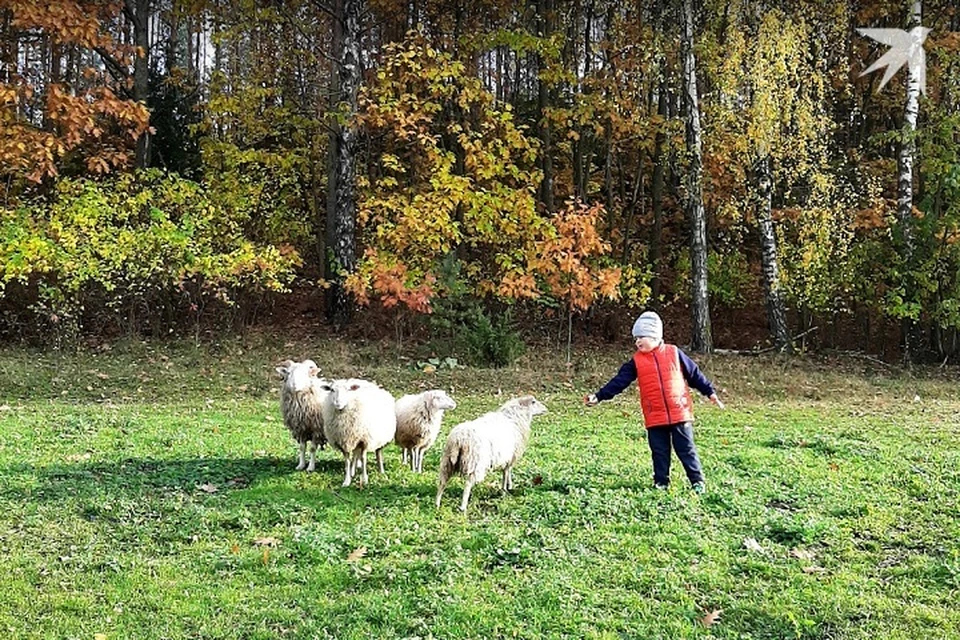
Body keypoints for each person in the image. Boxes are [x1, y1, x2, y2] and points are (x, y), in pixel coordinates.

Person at [584, 311, 724, 493]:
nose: (637, 342)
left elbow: (695, 374)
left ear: (654, 336)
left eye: (641, 337)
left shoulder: (674, 353)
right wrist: (599, 395)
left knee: (686, 449)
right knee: (659, 452)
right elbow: (619, 382)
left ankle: (697, 481)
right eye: (635, 338)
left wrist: (710, 392)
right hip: (654, 415)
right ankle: (661, 483)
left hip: (679, 412)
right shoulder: (636, 361)